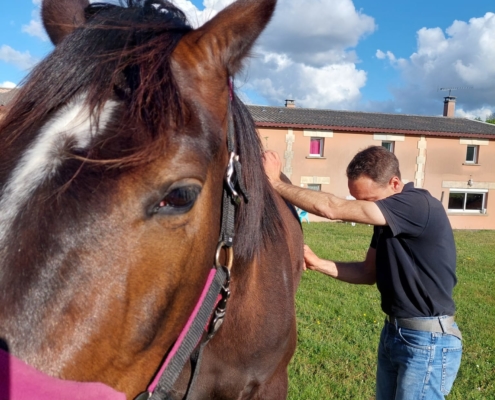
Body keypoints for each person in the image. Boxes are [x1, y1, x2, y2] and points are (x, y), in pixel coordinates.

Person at [262, 146, 462, 400]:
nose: (359, 208)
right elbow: (368, 272)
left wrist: (276, 183)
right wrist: (318, 263)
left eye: (367, 200)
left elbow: (332, 208)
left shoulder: (417, 205)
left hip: (428, 341)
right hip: (395, 333)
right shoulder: (387, 218)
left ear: (395, 183)